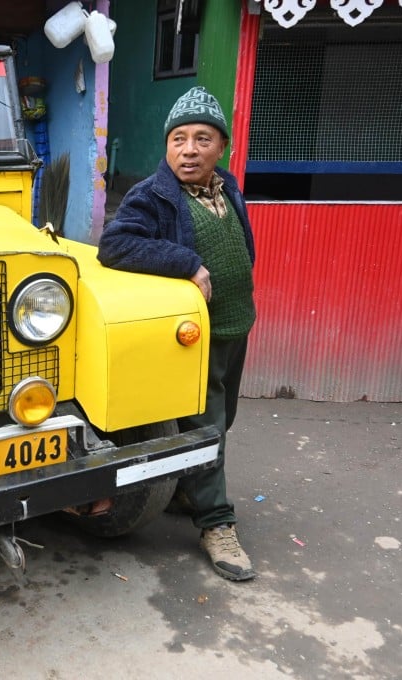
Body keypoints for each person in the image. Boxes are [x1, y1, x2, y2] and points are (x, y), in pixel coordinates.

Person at [97, 86, 257, 581]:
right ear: (167, 147)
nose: (189, 149)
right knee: (206, 426)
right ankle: (216, 522)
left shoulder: (227, 186)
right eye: (179, 139)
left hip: (236, 325)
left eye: (202, 139)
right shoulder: (154, 195)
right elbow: (115, 244)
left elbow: (241, 245)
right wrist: (185, 262)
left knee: (222, 417)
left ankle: (189, 486)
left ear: (221, 147)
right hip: (195, 334)